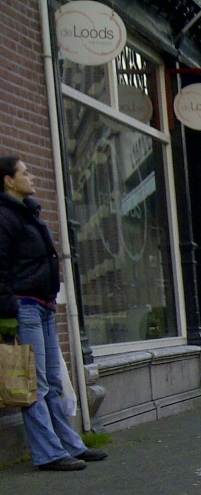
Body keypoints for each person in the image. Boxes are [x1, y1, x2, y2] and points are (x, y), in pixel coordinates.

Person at [0, 157, 106, 471]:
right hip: (24, 307)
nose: (31, 177)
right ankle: (48, 454)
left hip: (43, 306)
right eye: (25, 173)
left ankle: (70, 445)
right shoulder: (5, 217)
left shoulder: (28, 213)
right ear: (8, 180)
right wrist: (7, 311)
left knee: (53, 382)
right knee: (35, 383)